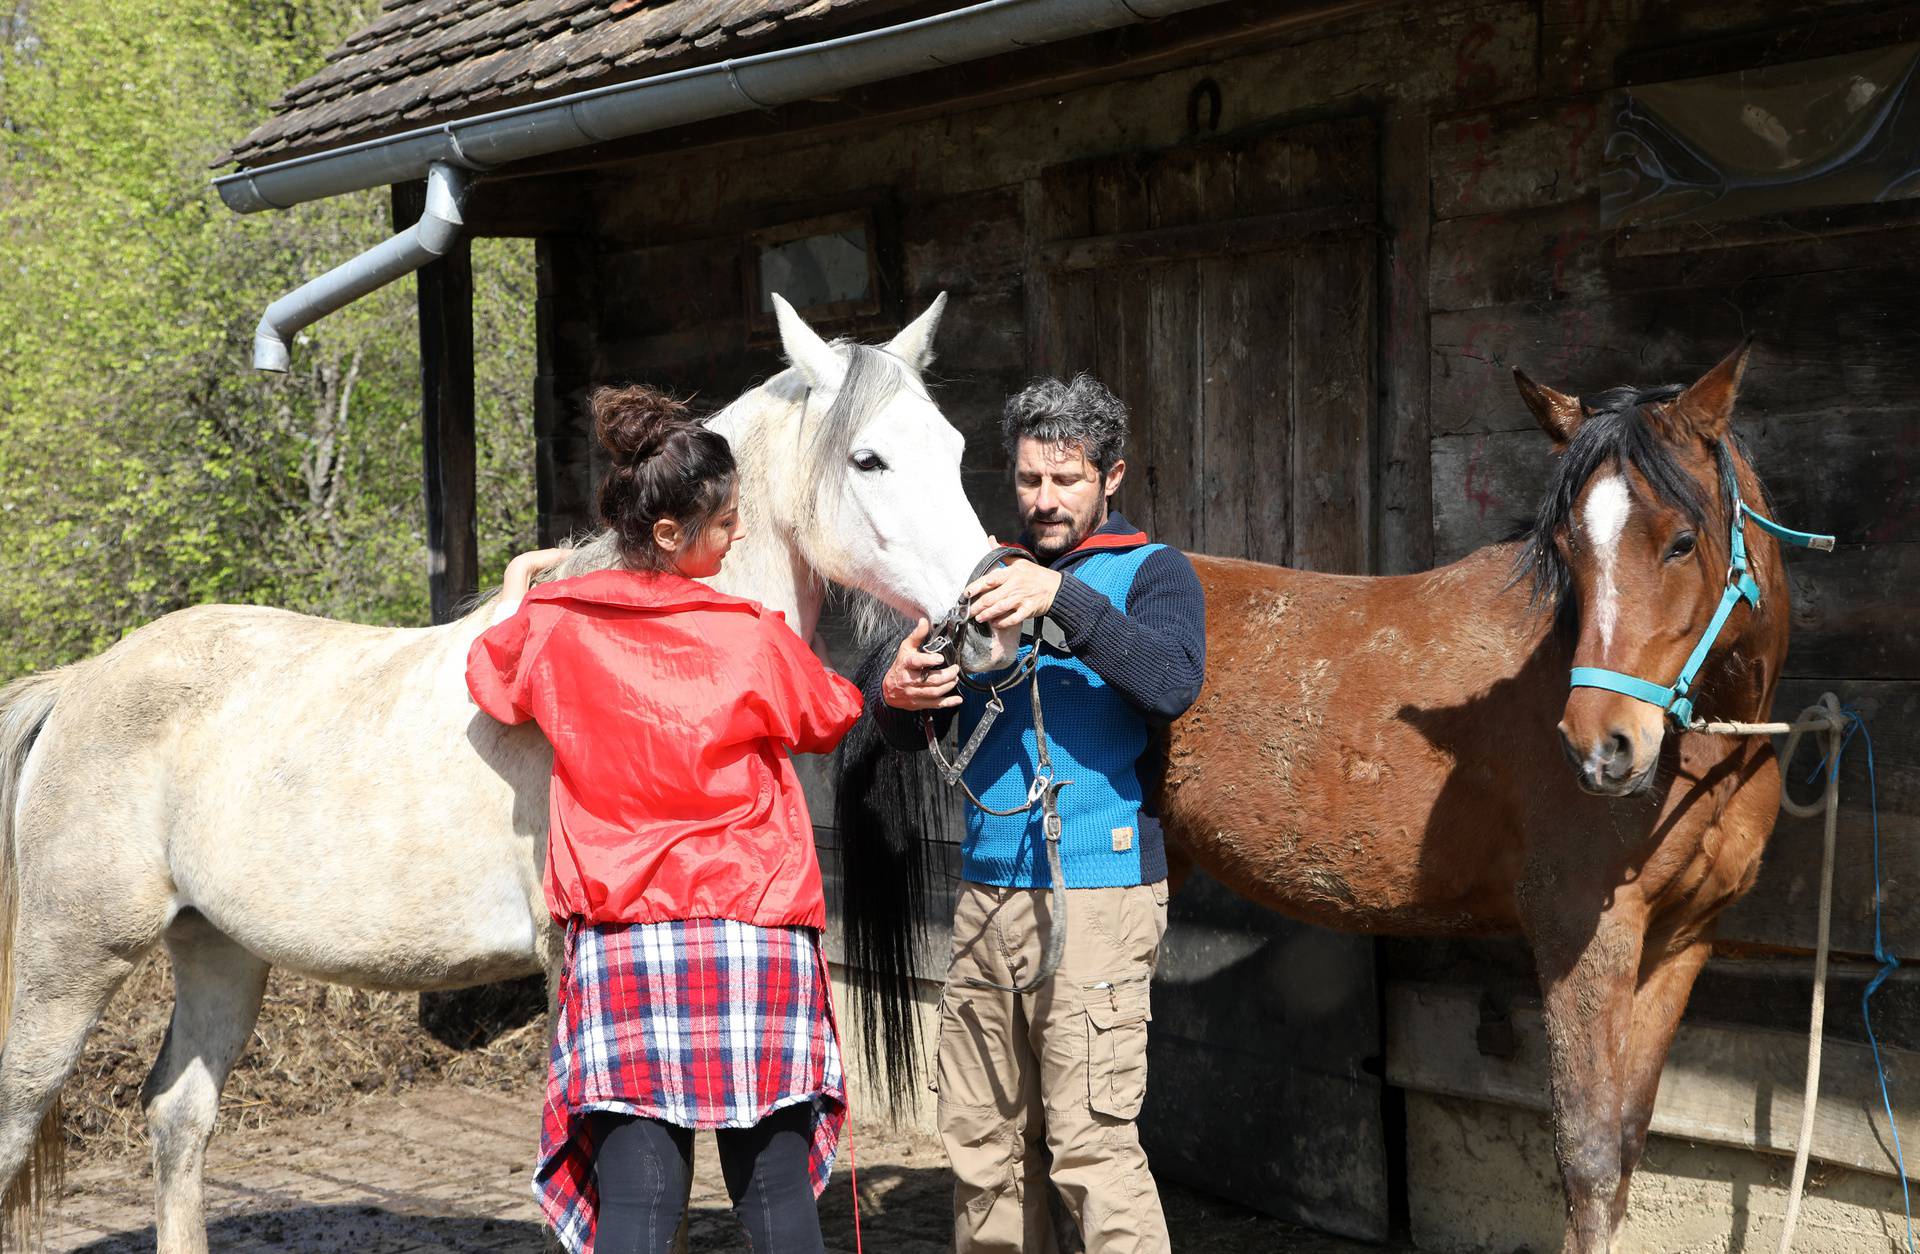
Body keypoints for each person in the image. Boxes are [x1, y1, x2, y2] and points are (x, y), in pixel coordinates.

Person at [465, 385, 862, 1254]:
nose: (741, 534)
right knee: (777, 1201)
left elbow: (491, 682)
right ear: (674, 535)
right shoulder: (752, 634)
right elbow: (830, 715)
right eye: (725, 522)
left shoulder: (557, 625)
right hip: (754, 936)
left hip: (626, 946)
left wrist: (513, 592)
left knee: (641, 1208)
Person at [866, 374, 1206, 1254]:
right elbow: (911, 736)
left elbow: (1172, 682)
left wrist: (1062, 599)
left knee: (1090, 1148)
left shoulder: (1153, 571)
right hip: (987, 892)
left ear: (1112, 475)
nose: (1044, 501)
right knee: (981, 1145)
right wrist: (896, 698)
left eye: (1066, 480)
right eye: (1028, 481)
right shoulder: (973, 574)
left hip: (1099, 891)